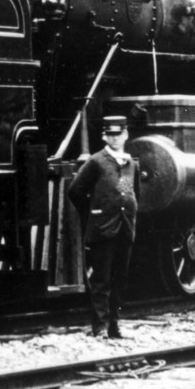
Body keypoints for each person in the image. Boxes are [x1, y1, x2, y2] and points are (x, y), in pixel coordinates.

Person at [68, 116, 139, 338]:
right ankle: (100, 326)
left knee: (120, 279)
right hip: (102, 229)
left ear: (126, 135)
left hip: (124, 228)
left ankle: (114, 325)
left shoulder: (132, 164)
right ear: (104, 137)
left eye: (118, 134)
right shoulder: (96, 162)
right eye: (110, 135)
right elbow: (75, 190)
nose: (114, 138)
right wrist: (93, 212)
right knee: (101, 280)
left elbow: (135, 193)